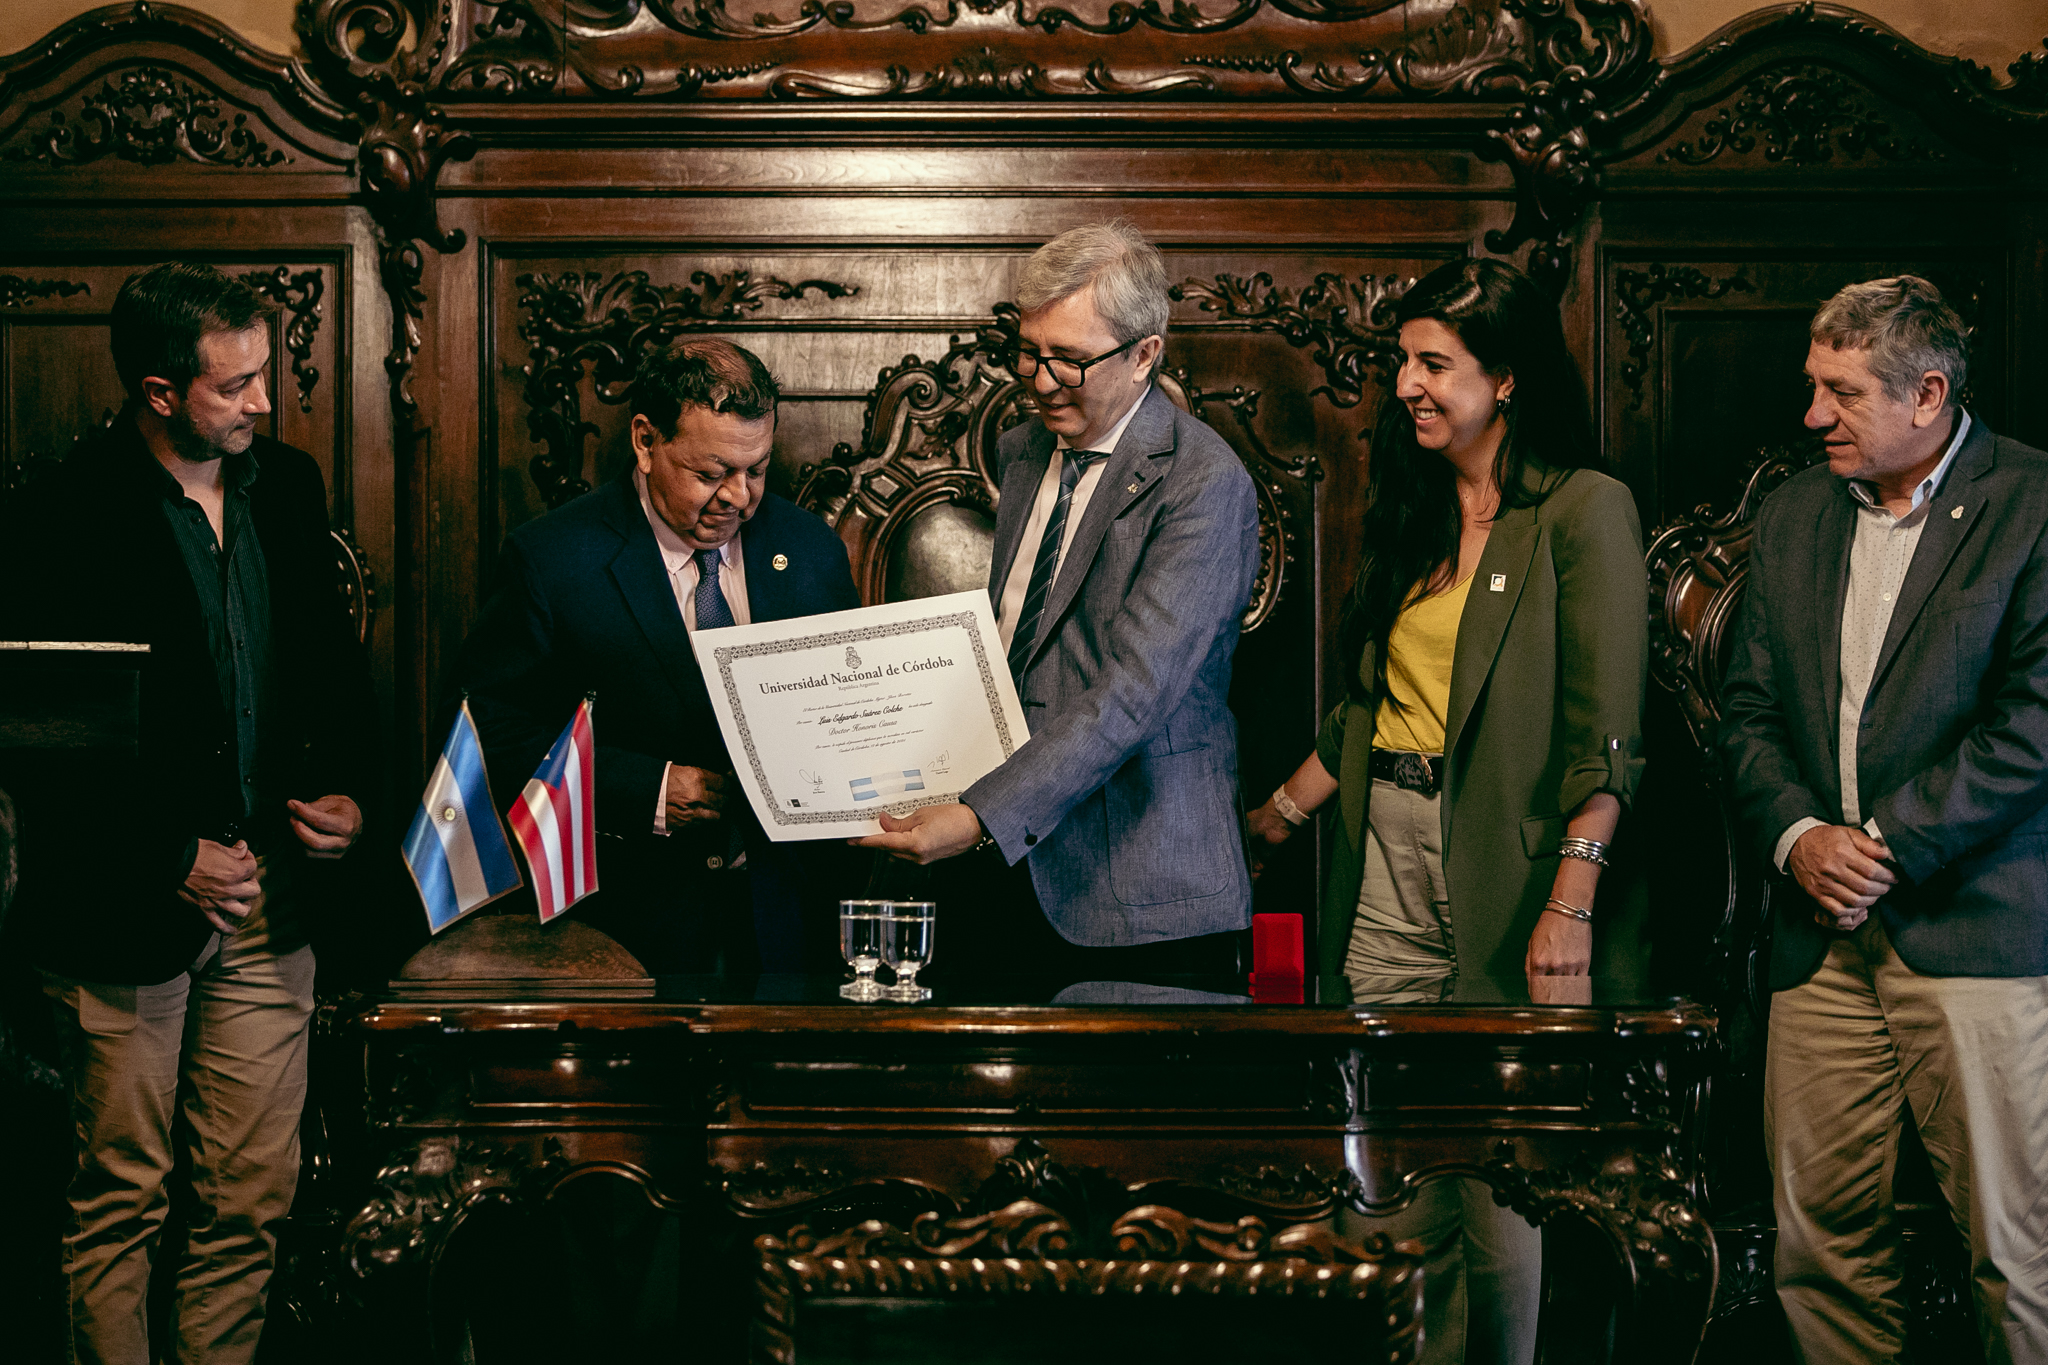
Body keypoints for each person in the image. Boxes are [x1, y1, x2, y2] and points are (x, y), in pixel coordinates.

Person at [1244, 256, 1649, 1364]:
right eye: (1402, 362)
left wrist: (1569, 903)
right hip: (1383, 860)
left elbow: (1608, 734)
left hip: (1508, 881)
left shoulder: (1581, 510)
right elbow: (1368, 707)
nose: (1407, 385)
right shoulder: (1415, 502)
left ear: (1505, 379)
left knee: (1493, 1175)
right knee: (1379, 1164)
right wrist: (1277, 814)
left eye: (1435, 364)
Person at [1, 262, 374, 1365]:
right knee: (120, 1196)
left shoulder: (288, 486)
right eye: (235, 385)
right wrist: (171, 853)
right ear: (160, 391)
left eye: (265, 374)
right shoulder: (59, 511)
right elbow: (37, 744)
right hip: (123, 909)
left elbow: (331, 678)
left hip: (273, 898)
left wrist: (351, 794)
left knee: (250, 1198)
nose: (264, 401)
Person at [1718, 276, 2048, 1364]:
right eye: (1813, 385)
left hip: (1973, 928)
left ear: (1928, 395)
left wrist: (1882, 846)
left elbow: (2034, 723)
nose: (1813, 414)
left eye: (1843, 393)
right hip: (1817, 942)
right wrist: (1798, 838)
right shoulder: (1793, 514)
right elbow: (1749, 712)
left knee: (2015, 1258)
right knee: (1817, 1251)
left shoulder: (2032, 503)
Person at [857, 219, 1260, 978]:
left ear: (1145, 354)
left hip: (1137, 888)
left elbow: (1133, 694)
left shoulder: (1204, 484)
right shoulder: (1024, 451)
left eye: (1070, 360)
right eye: (1029, 351)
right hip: (998, 867)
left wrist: (980, 815)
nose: (1040, 381)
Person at [459, 337, 860, 973]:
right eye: (711, 474)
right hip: (627, 935)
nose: (739, 497)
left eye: (756, 470)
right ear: (646, 442)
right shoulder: (553, 559)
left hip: (788, 929)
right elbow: (488, 737)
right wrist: (645, 789)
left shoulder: (810, 549)